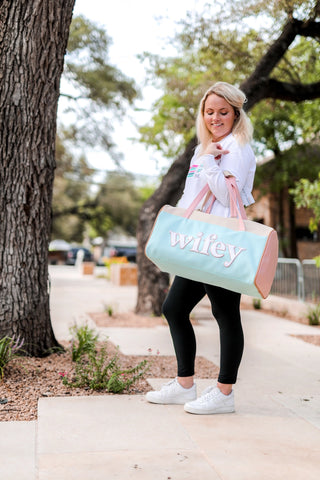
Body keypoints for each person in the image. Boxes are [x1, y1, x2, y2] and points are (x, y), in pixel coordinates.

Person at [146, 81, 256, 414]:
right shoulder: (204, 147)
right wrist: (181, 223)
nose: (215, 118)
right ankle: (184, 385)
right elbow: (192, 194)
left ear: (236, 113)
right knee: (174, 308)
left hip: (222, 244)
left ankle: (224, 393)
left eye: (223, 112)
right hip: (199, 242)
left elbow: (227, 196)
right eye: (210, 112)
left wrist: (209, 161)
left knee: (225, 314)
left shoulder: (238, 147)